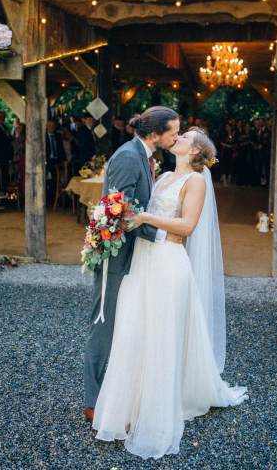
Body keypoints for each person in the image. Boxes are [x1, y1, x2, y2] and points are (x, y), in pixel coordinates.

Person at [92, 127, 248, 459]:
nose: (176, 138)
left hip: (169, 263)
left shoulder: (195, 181)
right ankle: (129, 406)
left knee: (161, 335)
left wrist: (144, 216)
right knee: (133, 331)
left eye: (185, 136)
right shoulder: (161, 177)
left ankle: (157, 410)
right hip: (143, 261)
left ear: (194, 151)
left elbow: (187, 226)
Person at [83, 106, 180, 423]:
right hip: (115, 254)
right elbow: (118, 211)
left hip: (130, 251)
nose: (177, 137)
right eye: (173, 132)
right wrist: (161, 235)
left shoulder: (145, 155)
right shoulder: (127, 156)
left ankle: (115, 393)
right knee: (104, 321)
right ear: (155, 134)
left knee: (121, 321)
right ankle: (93, 401)